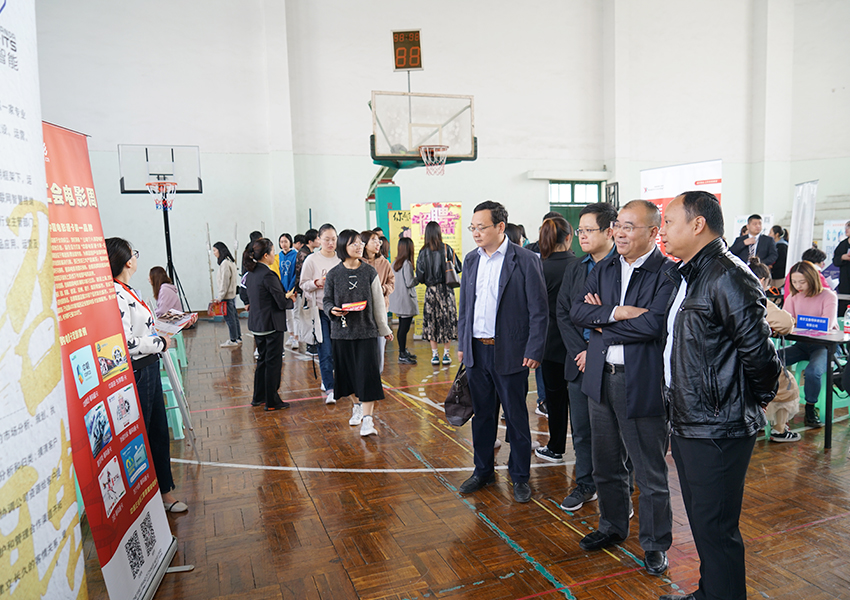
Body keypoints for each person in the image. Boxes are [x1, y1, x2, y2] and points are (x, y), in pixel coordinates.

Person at [657, 191, 781, 600]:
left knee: (717, 529)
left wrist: (751, 401)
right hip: (691, 418)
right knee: (703, 523)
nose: (662, 231)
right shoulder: (693, 273)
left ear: (698, 224)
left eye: (669, 221)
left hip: (718, 426)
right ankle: (709, 592)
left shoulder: (727, 275)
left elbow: (760, 354)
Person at [570, 200, 675, 577]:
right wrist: (619, 312)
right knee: (606, 463)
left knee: (649, 471)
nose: (619, 233)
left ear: (653, 232)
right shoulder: (605, 267)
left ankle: (655, 544)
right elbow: (578, 312)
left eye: (630, 226)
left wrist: (603, 322)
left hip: (640, 381)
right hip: (600, 376)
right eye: (617, 225)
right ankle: (612, 526)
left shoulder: (666, 273)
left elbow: (654, 325)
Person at [456, 200, 547, 504]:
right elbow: (465, 307)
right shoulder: (471, 260)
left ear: (500, 227)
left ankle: (519, 476)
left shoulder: (525, 260)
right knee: (482, 416)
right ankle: (483, 471)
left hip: (511, 351)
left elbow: (539, 310)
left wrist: (534, 348)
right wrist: (462, 344)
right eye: (472, 227)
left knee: (516, 417)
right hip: (476, 350)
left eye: (481, 227)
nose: (475, 233)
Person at [106, 238, 187, 513]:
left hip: (150, 366)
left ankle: (164, 492)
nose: (136, 258)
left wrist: (166, 329)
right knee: (143, 437)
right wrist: (159, 342)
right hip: (138, 372)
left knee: (158, 433)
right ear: (127, 261)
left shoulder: (128, 290)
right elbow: (125, 343)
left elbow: (142, 329)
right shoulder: (115, 295)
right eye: (134, 253)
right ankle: (146, 501)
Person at [555, 202, 618, 510]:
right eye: (580, 230)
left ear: (610, 231)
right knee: (582, 430)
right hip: (578, 362)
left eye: (589, 230)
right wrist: (581, 351)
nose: (582, 236)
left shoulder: (624, 267)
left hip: (613, 363)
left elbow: (620, 317)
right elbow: (564, 312)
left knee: (616, 434)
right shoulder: (576, 267)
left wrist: (594, 351)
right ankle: (585, 484)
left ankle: (619, 492)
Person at [324, 230, 394, 435]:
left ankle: (368, 420)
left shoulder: (369, 272)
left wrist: (384, 329)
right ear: (343, 247)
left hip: (367, 332)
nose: (359, 246)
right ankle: (356, 406)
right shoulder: (334, 274)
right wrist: (332, 310)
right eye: (353, 243)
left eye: (360, 243)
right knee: (347, 376)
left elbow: (378, 304)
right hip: (342, 332)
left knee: (368, 375)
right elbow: (327, 300)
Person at [532, 217, 575, 465]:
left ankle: (556, 448)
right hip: (578, 344)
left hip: (549, 344)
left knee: (555, 399)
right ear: (569, 237)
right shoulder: (580, 266)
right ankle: (584, 451)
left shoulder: (539, 268)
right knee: (580, 401)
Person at [749, 258, 801, 442]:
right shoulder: (756, 297)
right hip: (753, 360)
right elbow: (786, 323)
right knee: (787, 384)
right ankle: (779, 430)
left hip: (725, 360)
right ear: (763, 281)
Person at [782, 260, 839, 427]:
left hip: (825, 346)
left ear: (812, 279)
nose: (798, 286)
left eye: (802, 281)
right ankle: (767, 403)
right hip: (801, 345)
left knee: (813, 371)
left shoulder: (829, 296)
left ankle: (810, 407)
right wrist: (804, 323)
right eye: (794, 282)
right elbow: (785, 321)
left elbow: (827, 324)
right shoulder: (793, 297)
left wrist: (797, 322)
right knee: (771, 359)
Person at [243, 238, 293, 411]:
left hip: (257, 324)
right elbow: (280, 301)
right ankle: (272, 401)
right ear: (265, 255)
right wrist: (290, 299)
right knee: (273, 363)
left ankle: (258, 397)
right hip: (271, 324)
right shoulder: (268, 275)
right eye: (273, 252)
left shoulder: (251, 274)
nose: (274, 255)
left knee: (262, 361)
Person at [300, 224, 341, 404]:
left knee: (339, 351)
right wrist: (316, 283)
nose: (331, 243)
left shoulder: (341, 259)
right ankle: (330, 388)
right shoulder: (312, 260)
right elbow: (303, 284)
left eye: (333, 239)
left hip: (340, 311)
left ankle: (337, 382)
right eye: (326, 239)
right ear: (319, 240)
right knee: (325, 350)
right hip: (320, 311)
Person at [416, 221, 461, 366]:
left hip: (431, 291)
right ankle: (446, 354)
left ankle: (435, 355)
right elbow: (458, 267)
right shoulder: (447, 248)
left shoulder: (423, 252)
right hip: (447, 291)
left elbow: (420, 276)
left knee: (432, 322)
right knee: (447, 321)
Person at [361, 230, 395, 372]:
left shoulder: (384, 263)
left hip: (381, 309)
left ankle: (377, 375)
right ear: (364, 244)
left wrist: (381, 289)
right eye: (373, 241)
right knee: (364, 347)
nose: (377, 244)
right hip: (362, 311)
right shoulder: (358, 262)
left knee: (380, 347)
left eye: (378, 241)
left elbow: (391, 283)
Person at [388, 237, 418, 364]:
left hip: (398, 301)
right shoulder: (407, 264)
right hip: (406, 301)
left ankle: (403, 351)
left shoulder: (394, 263)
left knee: (402, 328)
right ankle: (402, 354)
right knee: (404, 329)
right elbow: (410, 282)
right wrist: (419, 278)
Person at [212, 242, 242, 348]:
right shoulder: (230, 262)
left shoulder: (225, 264)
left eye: (215, 250)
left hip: (226, 296)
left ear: (220, 250)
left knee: (230, 319)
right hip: (231, 295)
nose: (214, 253)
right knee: (234, 317)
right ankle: (238, 337)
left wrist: (219, 297)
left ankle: (233, 339)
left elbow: (224, 282)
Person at [295, 228, 319, 353]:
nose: (320, 241)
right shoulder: (305, 254)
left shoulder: (308, 253)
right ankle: (310, 345)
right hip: (305, 290)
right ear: (310, 241)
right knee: (308, 318)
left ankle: (313, 344)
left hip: (308, 289)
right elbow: (302, 275)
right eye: (318, 238)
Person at [277, 233, 300, 350]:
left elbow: (296, 273)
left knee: (296, 314)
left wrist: (292, 288)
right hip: (283, 289)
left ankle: (296, 338)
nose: (283, 244)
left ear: (290, 242)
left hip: (293, 289)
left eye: (286, 241)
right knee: (287, 315)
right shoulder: (279, 256)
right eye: (281, 242)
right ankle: (291, 334)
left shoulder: (295, 255)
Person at [833, 220, 850, 314]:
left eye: (849, 227)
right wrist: (842, 258)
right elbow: (835, 261)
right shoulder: (842, 245)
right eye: (846, 227)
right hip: (845, 281)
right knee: (843, 306)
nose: (846, 229)